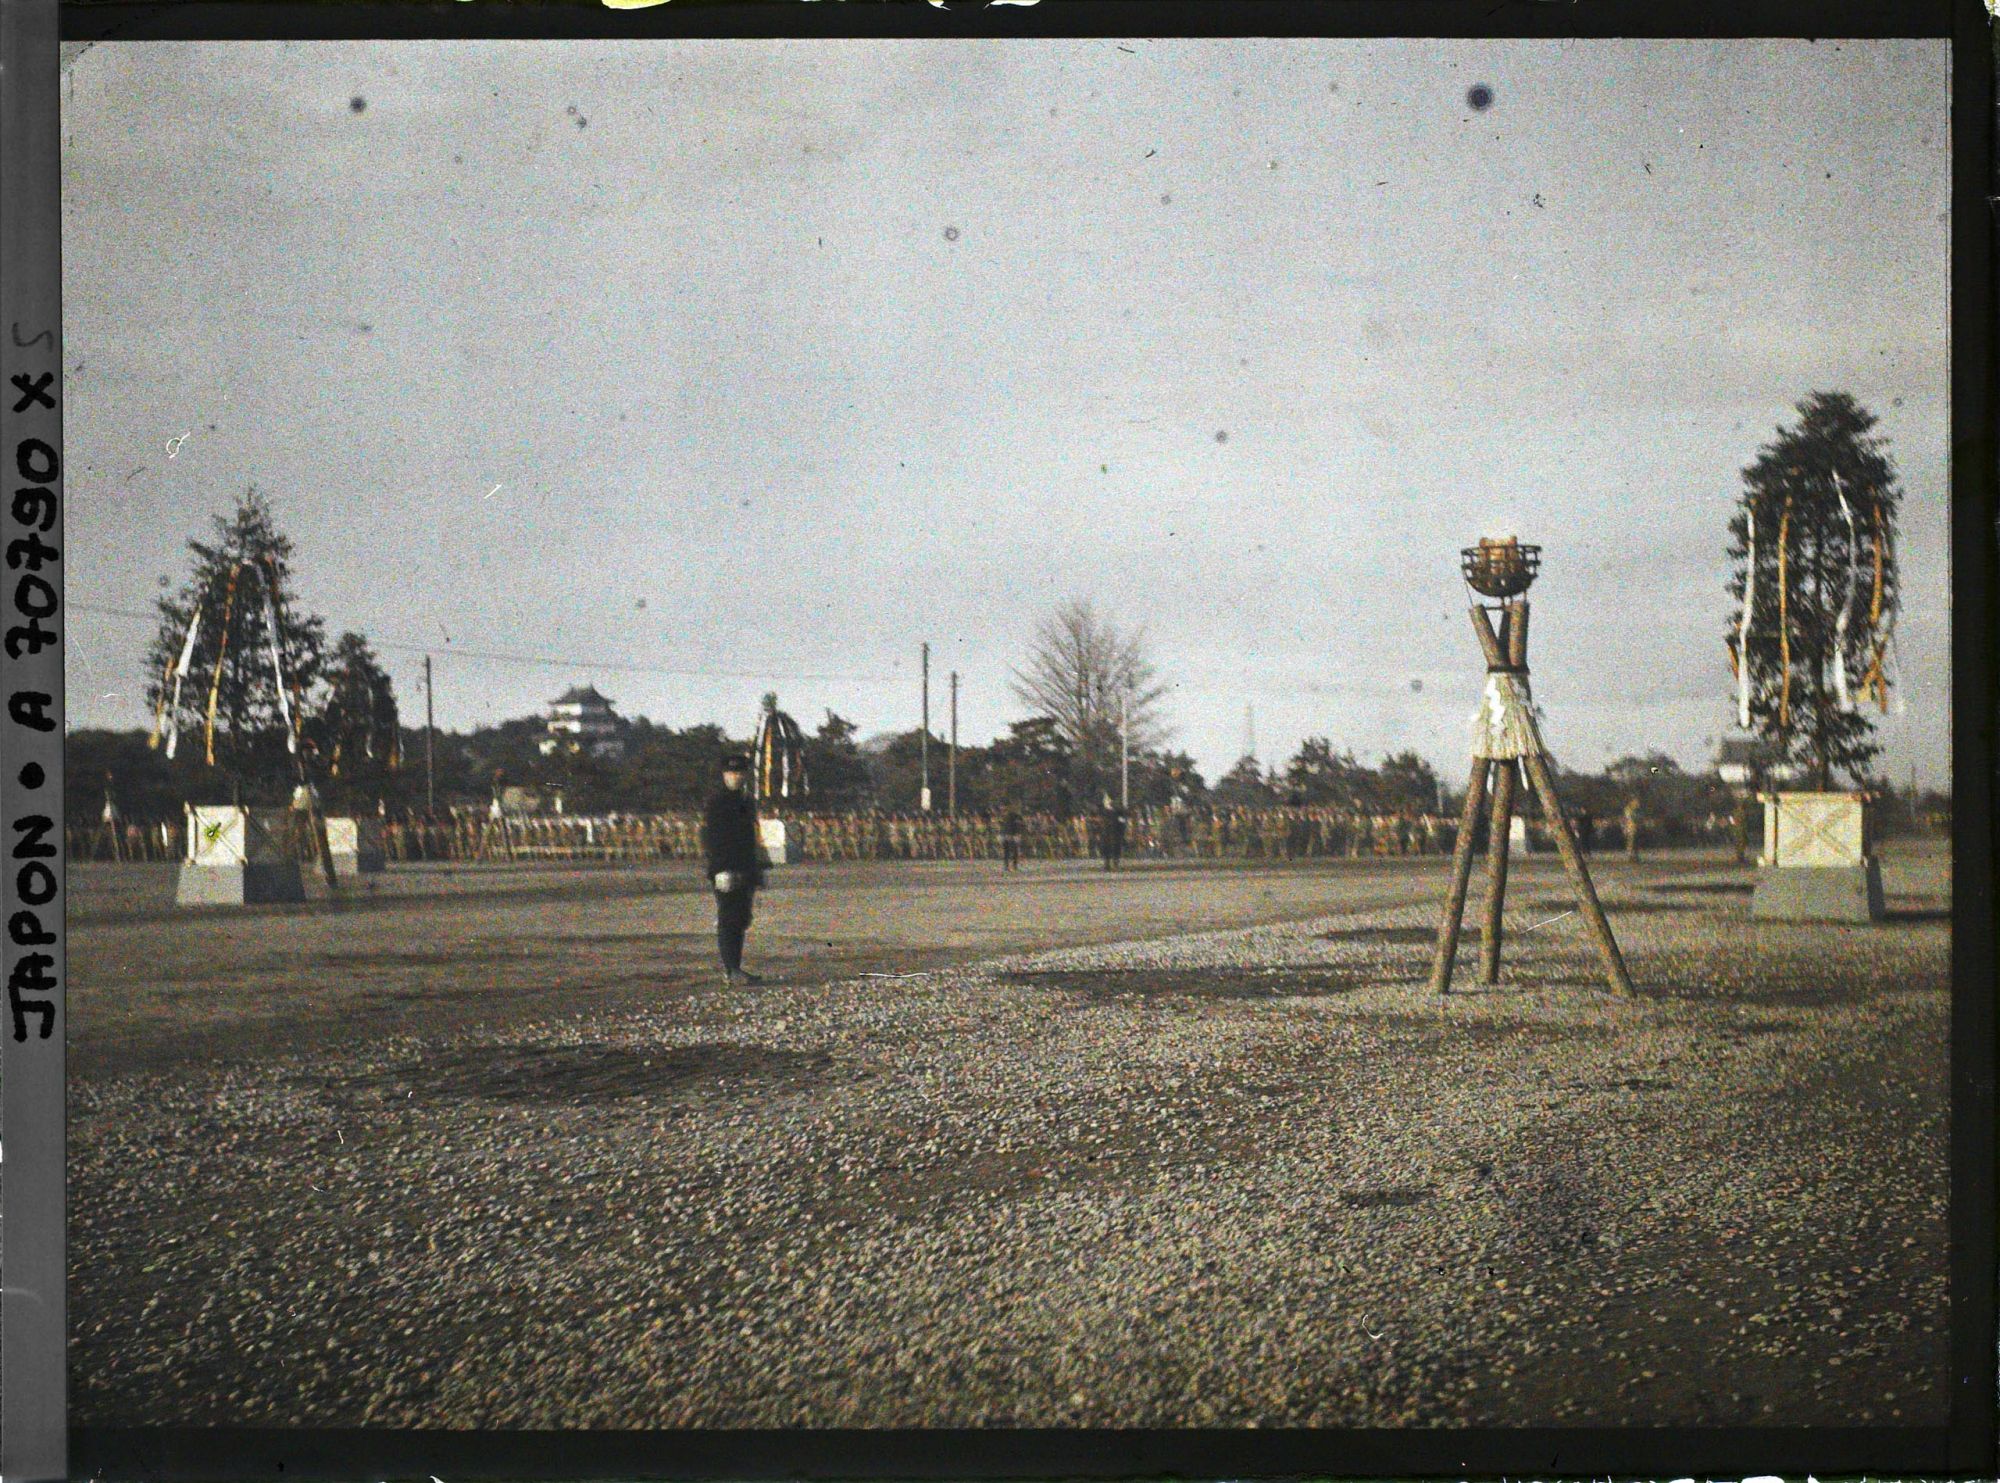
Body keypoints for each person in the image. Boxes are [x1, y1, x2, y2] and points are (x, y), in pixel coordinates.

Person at [703, 753, 766, 986]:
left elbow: (749, 839)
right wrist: (720, 869)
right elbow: (713, 839)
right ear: (724, 775)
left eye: (740, 772)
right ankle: (731, 970)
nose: (736, 777)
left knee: (741, 918)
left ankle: (736, 967)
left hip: (745, 868)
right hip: (726, 868)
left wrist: (756, 870)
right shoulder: (717, 802)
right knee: (729, 919)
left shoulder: (746, 801)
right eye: (731, 773)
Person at [1000, 805, 1024, 872]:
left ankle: (1010, 866)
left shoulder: (1012, 816)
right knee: (1010, 851)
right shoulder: (1012, 816)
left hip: (1010, 835)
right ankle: (1010, 866)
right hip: (1009, 835)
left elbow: (1019, 826)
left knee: (1010, 851)